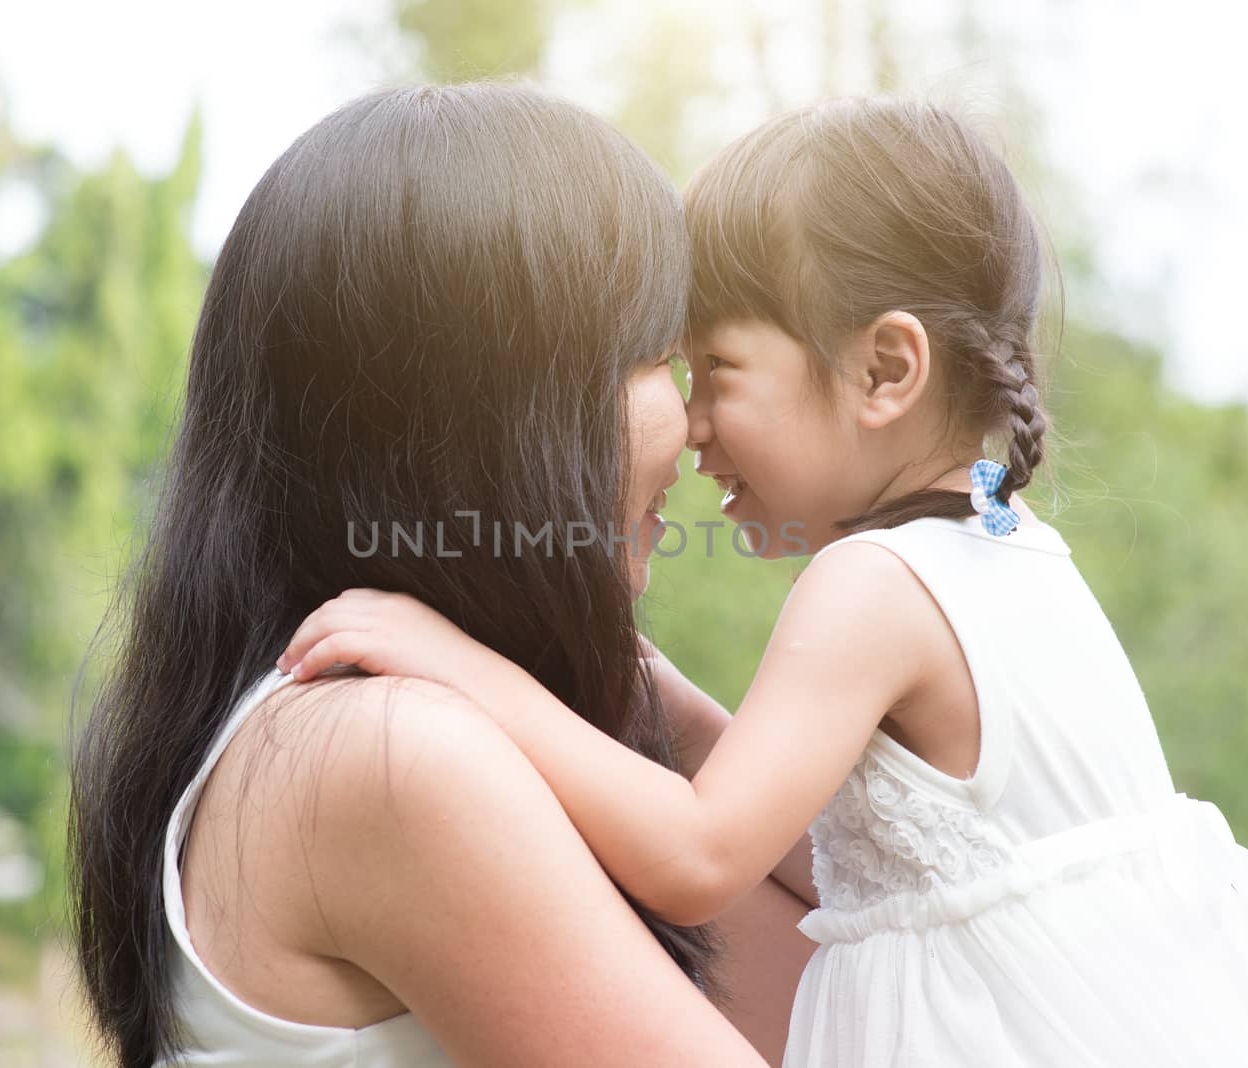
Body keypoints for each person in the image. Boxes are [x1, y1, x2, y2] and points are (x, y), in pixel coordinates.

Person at [278, 98, 1248, 1067]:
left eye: (717, 375)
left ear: (884, 371)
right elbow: (844, 835)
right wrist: (640, 685)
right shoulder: (1000, 525)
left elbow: (700, 855)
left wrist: (462, 665)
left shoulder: (872, 584)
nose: (691, 429)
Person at [68, 83, 816, 1068]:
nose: (689, 426)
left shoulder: (403, 730)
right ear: (493, 414)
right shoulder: (386, 753)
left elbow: (862, 974)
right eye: (652, 361)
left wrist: (655, 706)